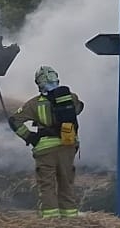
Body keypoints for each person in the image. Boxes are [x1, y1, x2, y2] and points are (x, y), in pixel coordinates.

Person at [12, 65, 84, 219]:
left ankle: (50, 223)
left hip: (45, 150)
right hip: (68, 145)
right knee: (66, 184)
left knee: (47, 186)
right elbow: (79, 108)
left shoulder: (33, 104)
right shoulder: (71, 97)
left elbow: (14, 121)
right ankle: (70, 220)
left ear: (39, 83)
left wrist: (30, 137)